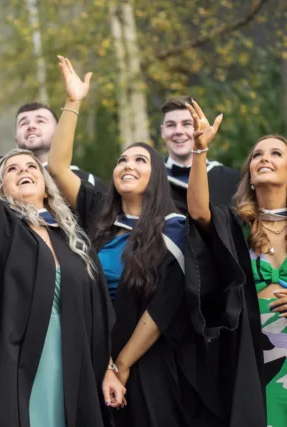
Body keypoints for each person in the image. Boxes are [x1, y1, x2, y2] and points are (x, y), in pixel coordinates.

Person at [0, 39, 122, 427]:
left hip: (78, 365)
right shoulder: (0, 228)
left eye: (31, 167)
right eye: (12, 168)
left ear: (47, 185)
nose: (24, 170)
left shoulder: (72, 236)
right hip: (18, 366)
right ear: (2, 187)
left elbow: (99, 313)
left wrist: (109, 366)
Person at [47, 56, 230, 427]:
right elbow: (57, 168)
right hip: (98, 356)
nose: (127, 165)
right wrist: (73, 102)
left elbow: (163, 309)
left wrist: (122, 364)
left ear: (157, 175)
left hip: (153, 364)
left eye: (140, 160)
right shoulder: (99, 217)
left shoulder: (174, 230)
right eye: (121, 160)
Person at [186, 100, 275, 426]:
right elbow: (198, 212)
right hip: (251, 353)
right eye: (258, 155)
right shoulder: (235, 224)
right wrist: (199, 151)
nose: (265, 158)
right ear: (249, 174)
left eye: (276, 153)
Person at [160, 96, 239, 213]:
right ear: (162, 131)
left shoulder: (231, 180)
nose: (178, 131)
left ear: (201, 127)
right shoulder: (149, 179)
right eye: (171, 125)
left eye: (187, 124)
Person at [14, 102, 106, 190]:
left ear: (59, 131)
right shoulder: (4, 184)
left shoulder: (87, 181)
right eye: (23, 123)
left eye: (40, 121)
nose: (31, 126)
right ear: (16, 138)